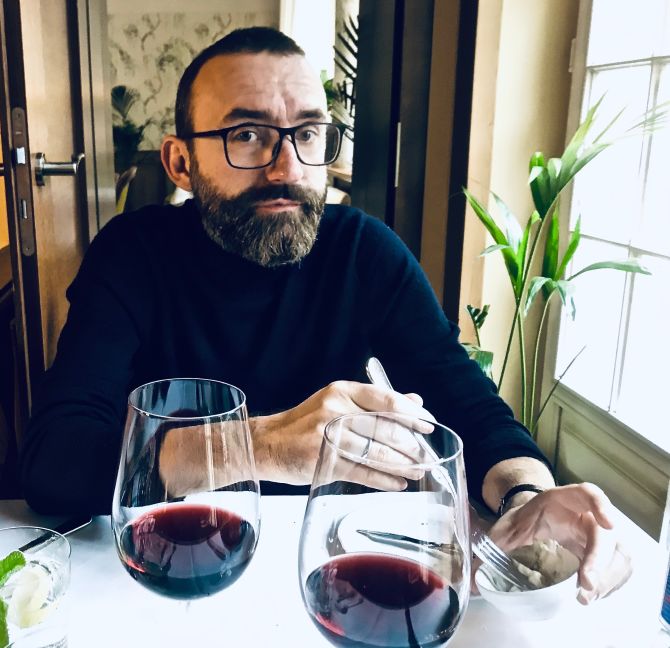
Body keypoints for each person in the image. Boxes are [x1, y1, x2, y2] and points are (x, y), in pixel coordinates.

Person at [19, 26, 629, 604]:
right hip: (170, 561)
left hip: (333, 568)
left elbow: (469, 405)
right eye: (247, 135)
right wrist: (256, 446)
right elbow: (54, 461)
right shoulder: (133, 254)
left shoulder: (365, 252)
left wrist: (527, 497)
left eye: (308, 133)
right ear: (180, 163)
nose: (288, 168)